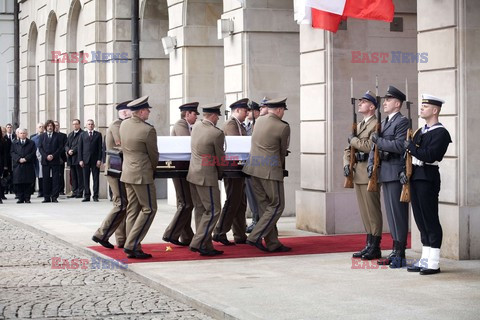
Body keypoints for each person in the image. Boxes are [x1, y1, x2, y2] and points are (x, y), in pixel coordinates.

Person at [404, 94, 452, 275]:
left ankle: (434, 262)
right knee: (421, 221)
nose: (422, 108)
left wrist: (411, 147)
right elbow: (413, 154)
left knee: (430, 219)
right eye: (422, 105)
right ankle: (425, 259)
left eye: (426, 106)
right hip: (415, 177)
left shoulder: (441, 133)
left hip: (428, 177)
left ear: (435, 110)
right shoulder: (420, 131)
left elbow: (430, 155)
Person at [368, 85, 409, 268]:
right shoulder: (383, 123)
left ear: (398, 104)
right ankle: (395, 252)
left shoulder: (402, 122)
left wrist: (379, 141)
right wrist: (371, 165)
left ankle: (400, 254)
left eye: (388, 100)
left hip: (394, 171)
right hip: (384, 171)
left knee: (398, 214)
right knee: (391, 215)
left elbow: (400, 146)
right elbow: (373, 148)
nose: (384, 103)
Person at [243, 97, 291, 253]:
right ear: (278, 110)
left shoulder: (259, 121)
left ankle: (272, 242)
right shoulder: (283, 127)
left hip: (252, 168)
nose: (283, 113)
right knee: (277, 205)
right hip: (270, 170)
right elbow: (282, 152)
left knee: (265, 207)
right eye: (283, 110)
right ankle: (255, 236)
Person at [343, 91, 383, 260]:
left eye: (364, 101)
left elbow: (368, 146)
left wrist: (352, 140)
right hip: (357, 171)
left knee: (372, 210)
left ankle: (375, 246)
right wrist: (346, 164)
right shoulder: (359, 126)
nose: (360, 103)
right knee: (364, 211)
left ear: (372, 106)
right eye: (359, 101)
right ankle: (368, 244)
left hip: (369, 171)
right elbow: (347, 150)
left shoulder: (376, 124)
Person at [119, 96, 158, 259]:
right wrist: (153, 170)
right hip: (142, 174)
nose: (149, 112)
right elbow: (153, 155)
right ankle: (132, 244)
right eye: (147, 110)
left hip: (127, 172)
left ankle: (132, 244)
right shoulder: (147, 130)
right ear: (141, 112)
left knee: (133, 210)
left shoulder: (124, 124)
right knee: (149, 209)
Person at [92, 100, 132, 249]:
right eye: (129, 111)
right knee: (120, 203)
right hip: (115, 170)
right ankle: (101, 234)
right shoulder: (117, 125)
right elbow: (120, 144)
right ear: (124, 112)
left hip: (121, 169)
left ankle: (121, 238)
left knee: (124, 204)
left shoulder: (123, 125)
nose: (131, 113)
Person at [187, 103, 225, 256]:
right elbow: (219, 158)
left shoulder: (196, 126)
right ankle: (198, 242)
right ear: (214, 116)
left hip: (193, 173)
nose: (218, 120)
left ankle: (206, 245)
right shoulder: (216, 133)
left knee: (201, 210)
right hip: (206, 176)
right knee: (214, 210)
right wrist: (221, 173)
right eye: (217, 117)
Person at [213, 98, 249, 246]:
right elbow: (237, 145)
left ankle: (240, 234)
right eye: (245, 111)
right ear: (237, 110)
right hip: (231, 167)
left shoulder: (239, 125)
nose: (247, 114)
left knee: (240, 202)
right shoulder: (231, 124)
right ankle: (219, 231)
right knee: (233, 200)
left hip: (239, 168)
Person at [162, 102, 198, 247]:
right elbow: (189, 144)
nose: (196, 117)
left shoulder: (187, 125)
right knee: (186, 203)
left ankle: (186, 236)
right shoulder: (180, 125)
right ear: (187, 114)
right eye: (194, 114)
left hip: (184, 169)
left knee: (186, 203)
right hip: (180, 169)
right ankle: (170, 233)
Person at [245, 100, 261, 233]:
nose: (247, 113)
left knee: (257, 195)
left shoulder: (259, 125)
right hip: (248, 164)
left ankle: (258, 221)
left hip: (257, 165)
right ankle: (256, 219)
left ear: (256, 112)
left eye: (249, 111)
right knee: (250, 195)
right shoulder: (248, 125)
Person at [38, 120, 64, 203]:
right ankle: (46, 197)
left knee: (55, 179)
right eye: (48, 126)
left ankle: (54, 197)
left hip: (55, 160)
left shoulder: (58, 136)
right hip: (45, 161)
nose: (50, 127)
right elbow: (40, 148)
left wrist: (53, 155)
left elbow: (60, 148)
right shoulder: (42, 136)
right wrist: (46, 156)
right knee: (46, 179)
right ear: (46, 127)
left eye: (51, 126)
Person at [78, 119, 103, 202]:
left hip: (95, 160)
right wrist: (80, 160)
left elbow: (100, 148)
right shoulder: (82, 135)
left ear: (94, 125)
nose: (90, 125)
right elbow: (80, 148)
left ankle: (95, 195)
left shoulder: (98, 135)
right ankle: (87, 195)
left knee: (96, 178)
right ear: (86, 125)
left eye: (92, 124)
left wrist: (99, 159)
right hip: (85, 160)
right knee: (85, 178)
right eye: (89, 124)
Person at [10, 128, 36, 203]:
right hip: (18, 165)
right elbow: (12, 152)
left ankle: (27, 198)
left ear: (26, 134)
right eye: (21, 133)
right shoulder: (14, 143)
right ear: (18, 134)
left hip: (28, 165)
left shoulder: (31, 143)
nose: (22, 135)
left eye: (24, 133)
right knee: (19, 182)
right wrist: (18, 159)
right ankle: (20, 197)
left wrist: (26, 159)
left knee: (28, 182)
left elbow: (33, 152)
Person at [66, 119, 84, 198]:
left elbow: (80, 145)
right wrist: (68, 150)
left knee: (79, 176)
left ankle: (80, 192)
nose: (75, 126)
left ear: (79, 125)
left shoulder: (82, 134)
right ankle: (74, 191)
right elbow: (66, 145)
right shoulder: (70, 134)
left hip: (78, 157)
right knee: (73, 176)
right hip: (71, 158)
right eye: (73, 124)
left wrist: (73, 150)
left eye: (76, 124)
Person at [30, 123, 44, 197]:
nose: (41, 128)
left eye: (42, 127)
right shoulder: (33, 138)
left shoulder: (46, 136)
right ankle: (40, 191)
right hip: (36, 159)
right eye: (39, 127)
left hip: (45, 158)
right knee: (39, 175)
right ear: (37, 128)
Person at [54, 121, 68, 196]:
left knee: (60, 174)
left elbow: (65, 145)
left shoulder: (63, 135)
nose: (56, 127)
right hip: (52, 158)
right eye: (54, 125)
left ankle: (61, 189)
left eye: (57, 125)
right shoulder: (50, 135)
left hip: (60, 157)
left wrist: (58, 152)